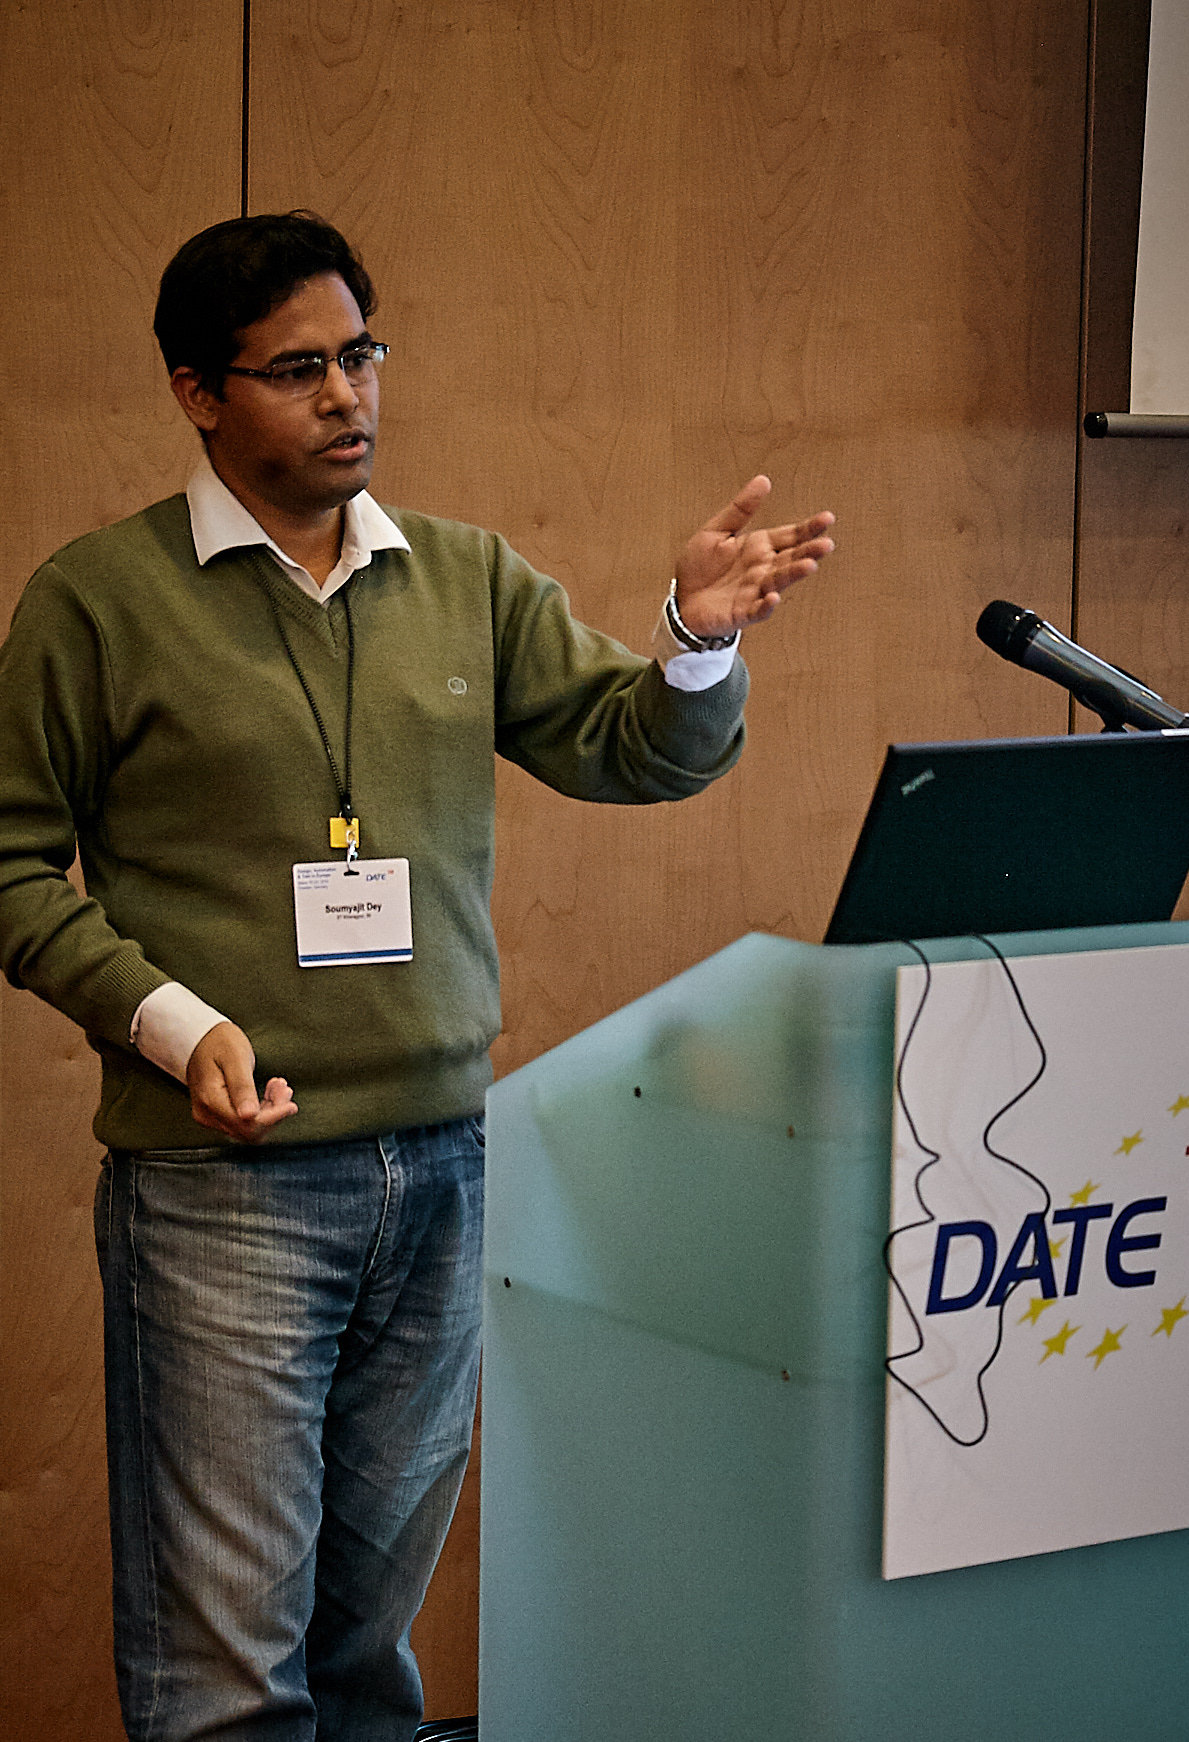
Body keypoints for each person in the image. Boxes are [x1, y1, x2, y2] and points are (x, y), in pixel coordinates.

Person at [0, 211, 835, 1741]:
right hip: (225, 1187)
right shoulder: (99, 601)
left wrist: (695, 645)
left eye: (363, 353)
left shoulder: (463, 576)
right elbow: (6, 862)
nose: (348, 395)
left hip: (443, 1169)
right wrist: (170, 1021)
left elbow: (634, 748)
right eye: (298, 368)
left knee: (367, 1660)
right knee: (229, 1677)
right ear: (197, 392)